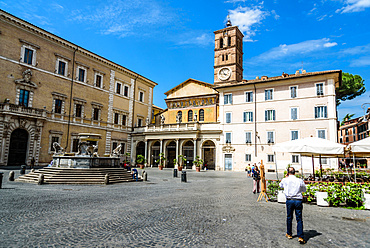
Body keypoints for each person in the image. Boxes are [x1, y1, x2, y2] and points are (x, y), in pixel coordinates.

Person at [279, 167, 307, 244]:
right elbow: (304, 189)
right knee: (299, 218)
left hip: (290, 200)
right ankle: (300, 236)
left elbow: (280, 185)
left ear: (288, 173)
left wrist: (285, 178)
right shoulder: (299, 180)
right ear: (295, 172)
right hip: (298, 200)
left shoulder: (285, 180)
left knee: (289, 217)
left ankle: (289, 233)